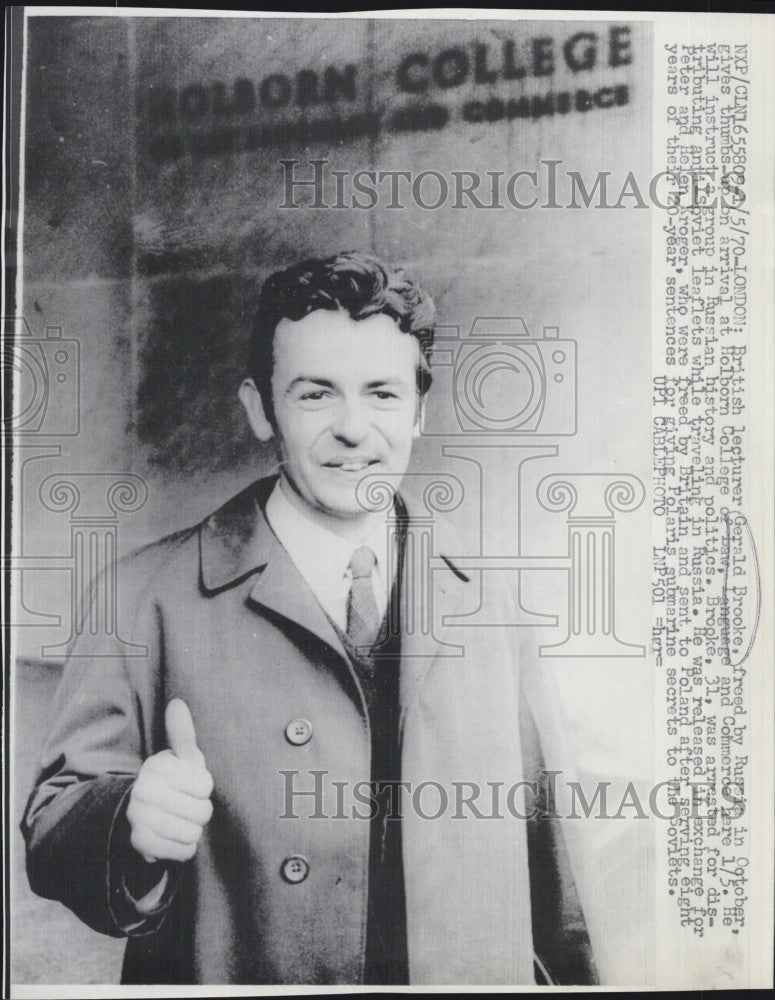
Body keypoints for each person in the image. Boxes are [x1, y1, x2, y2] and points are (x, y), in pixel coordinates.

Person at [22, 251, 597, 986]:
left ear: (419, 411)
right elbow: (52, 825)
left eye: (382, 394)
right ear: (261, 409)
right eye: (316, 394)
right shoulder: (141, 595)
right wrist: (128, 818)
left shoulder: (491, 603)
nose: (354, 429)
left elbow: (549, 869)